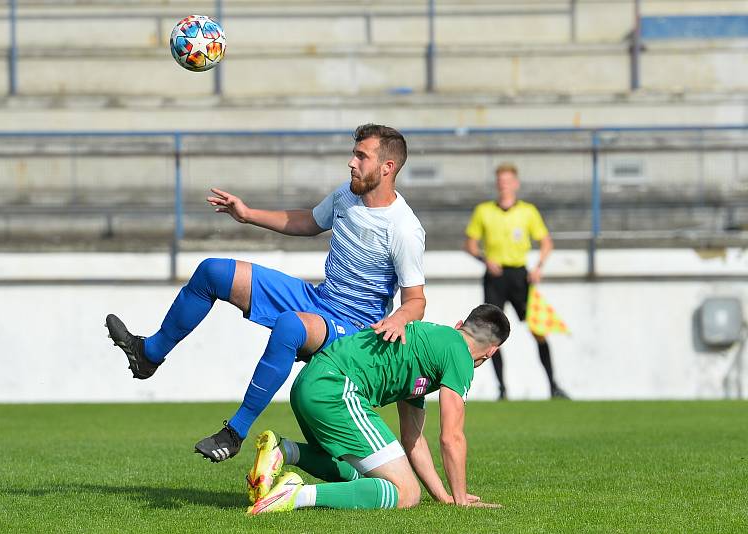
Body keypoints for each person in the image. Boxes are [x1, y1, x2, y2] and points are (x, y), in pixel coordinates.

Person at [105, 124, 426, 463]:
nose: (351, 163)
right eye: (353, 154)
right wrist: (247, 215)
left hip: (355, 330)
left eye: (361, 156)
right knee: (213, 272)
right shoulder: (346, 196)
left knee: (289, 325)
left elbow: (416, 300)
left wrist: (401, 318)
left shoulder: (404, 228)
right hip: (319, 299)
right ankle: (149, 354)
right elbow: (308, 222)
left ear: (387, 167)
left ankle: (234, 433)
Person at [245, 303, 510, 515]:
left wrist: (444, 496)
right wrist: (462, 500)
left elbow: (412, 438)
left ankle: (282, 451)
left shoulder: (430, 345)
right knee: (406, 493)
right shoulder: (460, 353)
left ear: (460, 325)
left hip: (309, 382)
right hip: (336, 387)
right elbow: (452, 437)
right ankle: (295, 495)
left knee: (360, 474)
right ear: (492, 351)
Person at [463, 162, 569, 400]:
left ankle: (553, 386)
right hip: (495, 277)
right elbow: (469, 244)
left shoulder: (528, 211)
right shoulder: (484, 211)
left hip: (520, 276)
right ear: (497, 184)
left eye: (508, 181)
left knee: (538, 330)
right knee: (489, 333)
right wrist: (484, 259)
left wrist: (539, 266)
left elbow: (546, 243)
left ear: (516, 184)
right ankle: (502, 390)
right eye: (501, 181)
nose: (504, 185)